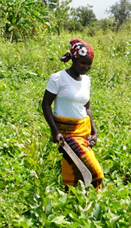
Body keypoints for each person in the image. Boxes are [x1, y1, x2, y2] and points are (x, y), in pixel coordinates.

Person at [42, 38, 104, 189]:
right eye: (83, 63)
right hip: (66, 133)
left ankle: (75, 200)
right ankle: (97, 199)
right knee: (94, 171)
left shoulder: (86, 80)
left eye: (89, 64)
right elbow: (45, 104)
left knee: (75, 169)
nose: (86, 67)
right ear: (73, 59)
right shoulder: (59, 78)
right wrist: (54, 131)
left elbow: (87, 107)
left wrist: (94, 131)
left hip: (83, 131)